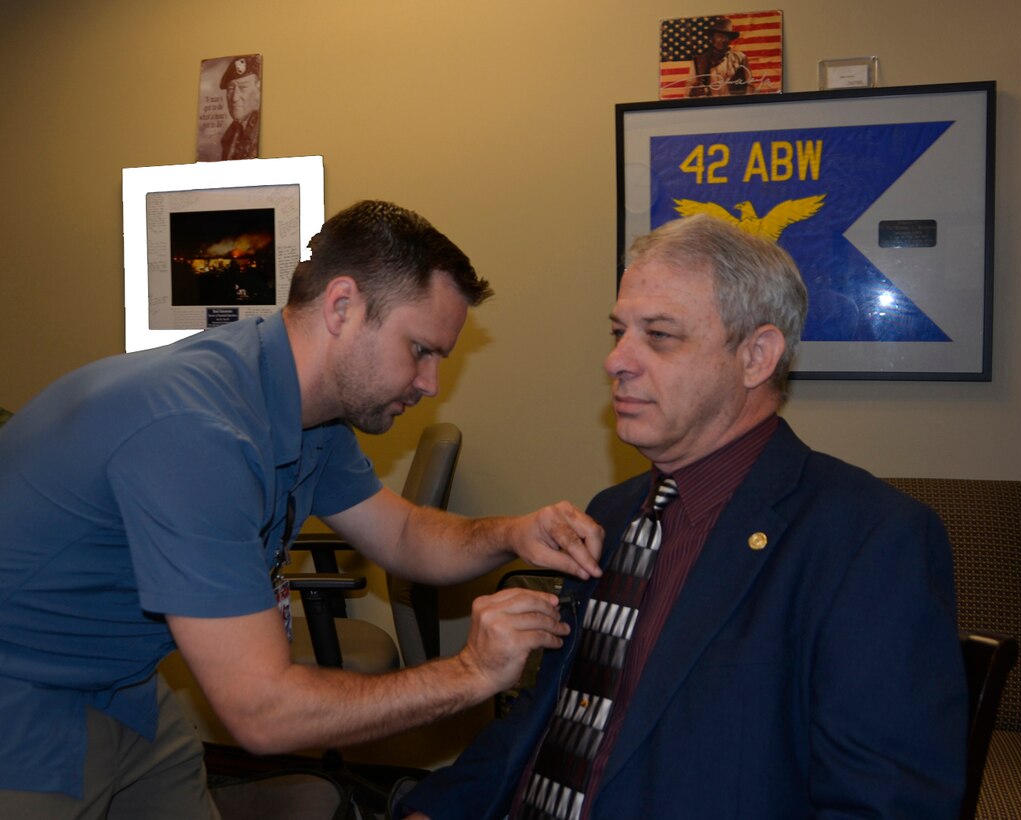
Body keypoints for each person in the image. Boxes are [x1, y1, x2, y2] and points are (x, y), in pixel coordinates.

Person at [0, 200, 603, 817]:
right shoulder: (196, 433)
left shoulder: (303, 407)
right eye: (421, 350)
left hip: (123, 680)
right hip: (23, 695)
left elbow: (402, 535)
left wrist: (515, 533)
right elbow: (261, 712)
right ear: (342, 307)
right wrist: (471, 672)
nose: (431, 385)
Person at [398, 214, 967, 819]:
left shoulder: (868, 541)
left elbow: (885, 805)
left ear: (756, 356)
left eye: (660, 335)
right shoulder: (612, 515)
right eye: (619, 332)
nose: (616, 360)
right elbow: (552, 722)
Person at [687, 17, 753, 97]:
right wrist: (694, 91)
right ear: (712, 38)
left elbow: (750, 85)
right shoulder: (699, 61)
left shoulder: (740, 58)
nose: (724, 40)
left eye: (727, 37)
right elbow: (688, 90)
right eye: (720, 36)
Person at [220, 54, 262, 160]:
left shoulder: (263, 128)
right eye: (230, 89)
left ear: (259, 90)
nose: (234, 98)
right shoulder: (231, 135)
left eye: (243, 87)